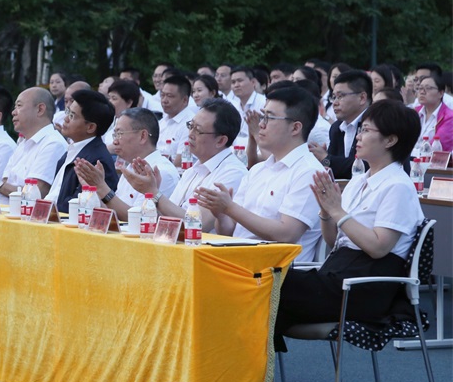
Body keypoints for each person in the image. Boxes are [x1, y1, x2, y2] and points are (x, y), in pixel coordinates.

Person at [275, 100, 424, 348]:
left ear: (390, 140)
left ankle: (243, 375)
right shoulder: (359, 180)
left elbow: (378, 248)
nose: (358, 136)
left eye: (366, 130)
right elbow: (335, 241)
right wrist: (326, 212)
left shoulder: (398, 186)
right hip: (338, 276)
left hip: (365, 287)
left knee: (263, 287)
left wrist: (337, 210)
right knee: (258, 287)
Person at [196, 85, 324, 262]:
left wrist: (230, 208)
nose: (261, 124)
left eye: (269, 118)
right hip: (241, 263)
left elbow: (287, 234)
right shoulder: (258, 170)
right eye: (262, 115)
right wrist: (221, 214)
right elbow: (229, 231)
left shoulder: (309, 172)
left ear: (295, 128)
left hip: (277, 273)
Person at [122, 99, 246, 232]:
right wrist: (152, 196)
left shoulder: (233, 172)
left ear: (221, 140)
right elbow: (168, 218)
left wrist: (153, 193)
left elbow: (200, 224)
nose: (190, 134)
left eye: (198, 130)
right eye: (190, 126)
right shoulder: (192, 170)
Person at [74, 107, 178, 221]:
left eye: (120, 133)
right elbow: (114, 213)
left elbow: (140, 220)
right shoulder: (131, 167)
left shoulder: (161, 171)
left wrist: (102, 187)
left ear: (143, 136)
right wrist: (93, 190)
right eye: (115, 135)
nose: (115, 141)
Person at [0, 87, 67, 200]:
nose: (13, 112)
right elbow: (6, 183)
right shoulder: (23, 143)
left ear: (40, 109)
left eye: (19, 106)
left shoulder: (54, 144)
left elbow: (36, 194)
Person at [46, 89, 119, 212]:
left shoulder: (96, 161)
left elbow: (77, 206)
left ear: (90, 127)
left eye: (72, 116)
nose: (65, 119)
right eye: (68, 112)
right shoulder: (72, 150)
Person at [310, 70, 372, 179]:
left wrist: (326, 158)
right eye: (334, 97)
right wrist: (324, 160)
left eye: (340, 96)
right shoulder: (336, 128)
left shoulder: (376, 125)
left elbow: (367, 166)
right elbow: (333, 169)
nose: (335, 103)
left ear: (362, 98)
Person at [156, 74, 196, 159]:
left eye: (170, 96)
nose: (164, 100)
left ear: (185, 100)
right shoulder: (162, 122)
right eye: (162, 95)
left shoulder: (190, 125)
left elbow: (181, 159)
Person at [229, 66, 267, 146]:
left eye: (240, 81)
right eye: (233, 82)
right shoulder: (232, 106)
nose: (236, 85)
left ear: (253, 82)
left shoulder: (263, 103)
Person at [415, 74, 453, 151]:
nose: (422, 92)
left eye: (428, 88)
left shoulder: (449, 117)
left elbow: (437, 147)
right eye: (420, 88)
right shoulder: (413, 112)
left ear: (441, 93)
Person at [103, 79, 141, 151]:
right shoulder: (111, 119)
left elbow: (120, 147)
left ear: (129, 102)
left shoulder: (135, 124)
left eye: (114, 98)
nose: (109, 102)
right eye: (109, 98)